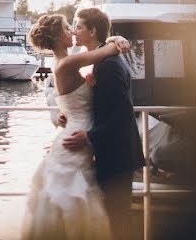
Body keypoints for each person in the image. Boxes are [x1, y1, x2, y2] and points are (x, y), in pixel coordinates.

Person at [22, 14, 131, 240]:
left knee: (77, 199)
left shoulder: (65, 64)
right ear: (58, 36)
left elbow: (69, 98)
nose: (72, 31)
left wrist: (66, 111)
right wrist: (117, 38)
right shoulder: (69, 63)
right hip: (77, 140)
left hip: (77, 132)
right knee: (74, 200)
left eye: (74, 27)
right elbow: (108, 51)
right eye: (67, 28)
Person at [62, 8, 145, 240]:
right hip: (114, 153)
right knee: (112, 218)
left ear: (92, 31)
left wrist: (89, 136)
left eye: (79, 27)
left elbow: (122, 115)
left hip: (116, 155)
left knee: (117, 220)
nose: (75, 32)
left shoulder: (108, 64)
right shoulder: (105, 59)